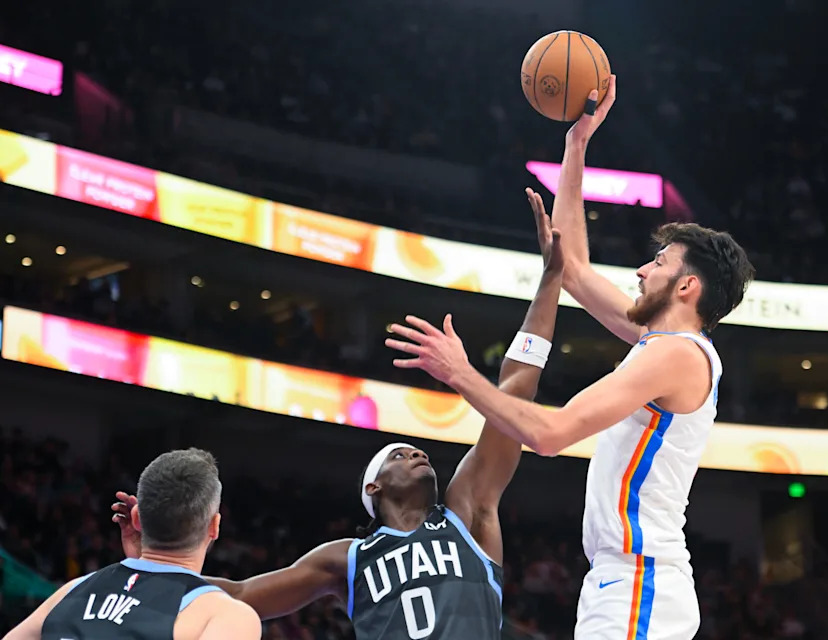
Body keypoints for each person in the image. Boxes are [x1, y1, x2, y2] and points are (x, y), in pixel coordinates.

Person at [384, 75, 756, 640]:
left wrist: (460, 373)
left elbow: (551, 434)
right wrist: (576, 145)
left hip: (640, 579)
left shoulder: (676, 356)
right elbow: (574, 270)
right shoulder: (660, 345)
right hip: (623, 582)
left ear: (688, 288)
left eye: (658, 262)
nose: (640, 270)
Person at [111, 190, 566, 639]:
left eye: (415, 451)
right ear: (374, 487)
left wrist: (550, 279)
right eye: (400, 454)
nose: (417, 455)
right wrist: (148, 565)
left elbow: (517, 391)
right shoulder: (346, 559)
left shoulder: (468, 511)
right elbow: (244, 593)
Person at [4, 449, 261, 640]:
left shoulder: (71, 591)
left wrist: (143, 569)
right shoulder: (224, 616)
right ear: (214, 527)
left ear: (137, 518)